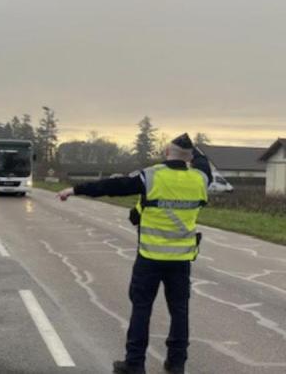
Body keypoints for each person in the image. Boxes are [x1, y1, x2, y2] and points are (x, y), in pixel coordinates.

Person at [57, 133, 211, 374]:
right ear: (189, 157)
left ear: (166, 153)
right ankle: (177, 363)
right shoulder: (201, 179)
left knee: (142, 309)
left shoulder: (150, 176)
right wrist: (195, 151)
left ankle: (135, 364)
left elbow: (112, 186)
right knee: (180, 311)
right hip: (181, 260)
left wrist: (75, 189)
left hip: (150, 259)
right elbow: (202, 162)